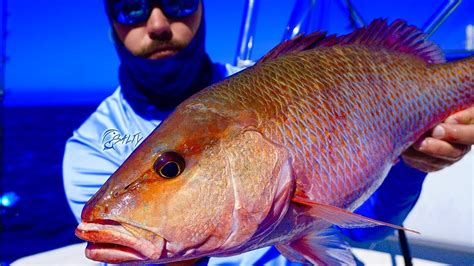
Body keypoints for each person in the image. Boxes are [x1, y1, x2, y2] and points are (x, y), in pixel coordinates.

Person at [63, 0, 473, 264]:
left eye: (177, 1)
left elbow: (368, 226)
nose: (157, 23)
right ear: (110, 23)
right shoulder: (90, 148)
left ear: (202, 9)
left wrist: (414, 163)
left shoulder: (255, 80)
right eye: (130, 8)